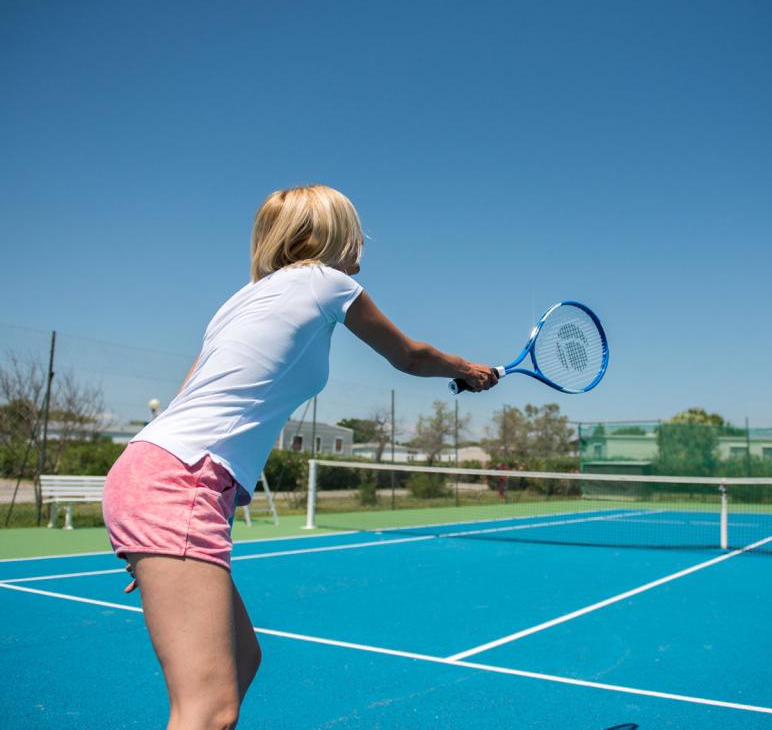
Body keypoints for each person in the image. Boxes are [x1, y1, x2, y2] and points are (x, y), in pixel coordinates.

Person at [101, 185, 498, 730]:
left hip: (152, 472)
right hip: (181, 480)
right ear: (329, 236)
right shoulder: (328, 282)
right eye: (354, 229)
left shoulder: (236, 303)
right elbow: (409, 357)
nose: (362, 243)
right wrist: (467, 369)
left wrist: (150, 531)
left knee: (244, 660)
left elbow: (181, 400)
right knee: (207, 711)